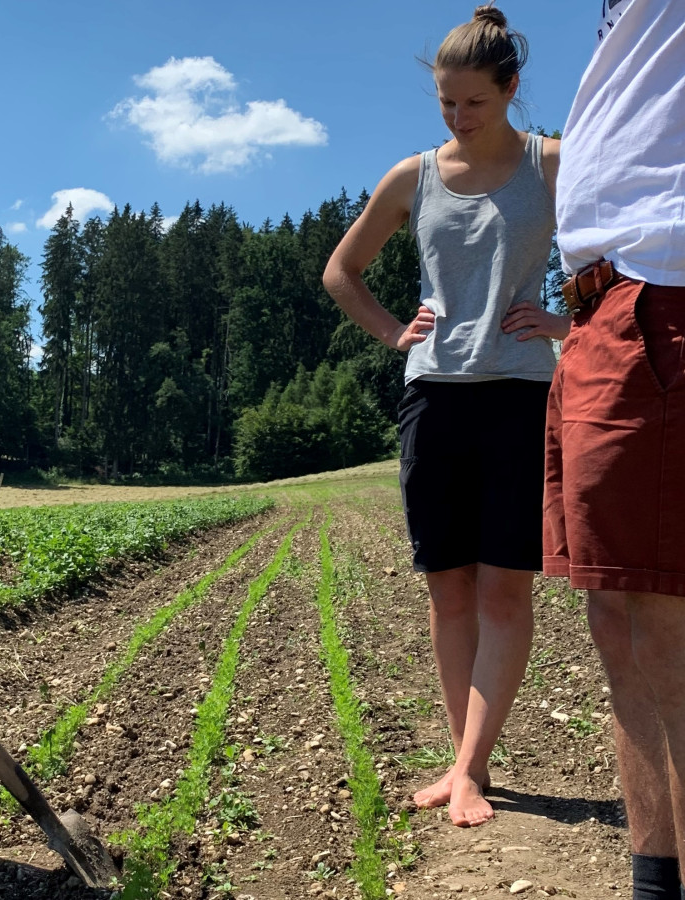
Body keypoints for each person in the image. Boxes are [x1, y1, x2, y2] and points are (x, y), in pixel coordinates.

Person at [323, 6, 568, 828]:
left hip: (523, 394)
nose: (460, 118)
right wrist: (396, 332)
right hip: (434, 397)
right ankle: (467, 763)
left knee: (505, 591)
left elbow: (624, 263)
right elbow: (341, 271)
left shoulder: (554, 165)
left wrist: (568, 324)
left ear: (511, 88)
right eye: (446, 105)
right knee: (447, 593)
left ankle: (469, 768)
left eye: (475, 103)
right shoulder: (413, 177)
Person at [544, 1, 685, 896]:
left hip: (664, 294)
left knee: (667, 632)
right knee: (621, 618)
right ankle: (652, 877)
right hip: (606, 311)